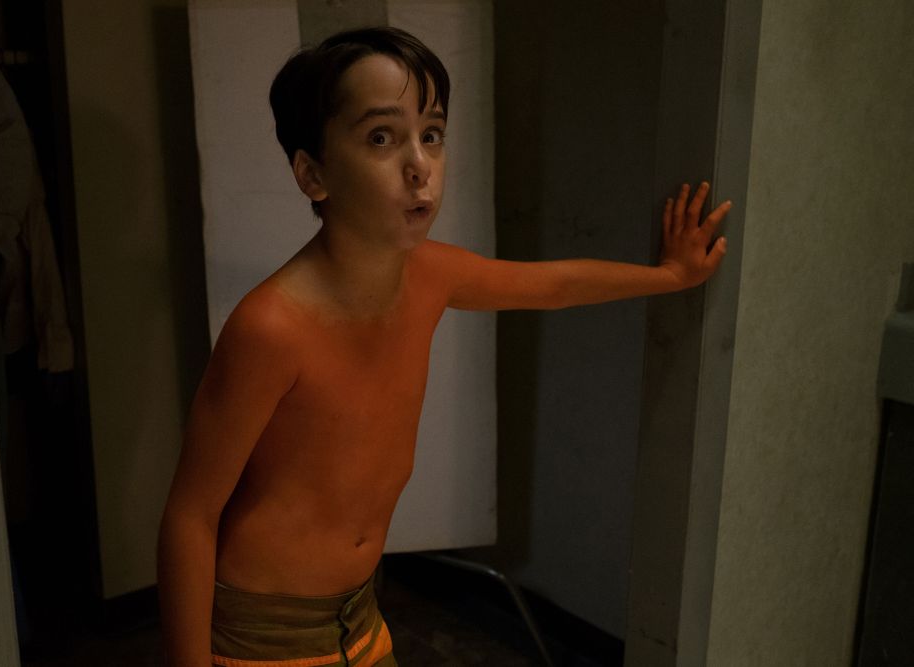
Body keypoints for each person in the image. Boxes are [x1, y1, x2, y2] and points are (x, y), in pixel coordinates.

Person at [157, 26, 731, 667]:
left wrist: (670, 277)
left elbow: (553, 284)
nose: (420, 166)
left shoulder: (431, 274)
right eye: (381, 138)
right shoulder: (271, 326)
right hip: (264, 635)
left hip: (360, 617)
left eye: (431, 134)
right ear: (313, 173)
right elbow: (190, 516)